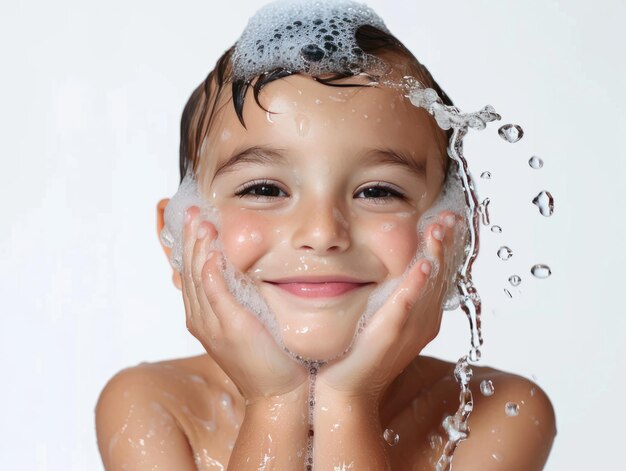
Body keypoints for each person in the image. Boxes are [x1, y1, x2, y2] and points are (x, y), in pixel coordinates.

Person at [95, 2, 556, 469]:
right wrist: (275, 402)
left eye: (377, 191)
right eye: (264, 188)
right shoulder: (153, 407)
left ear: (456, 238)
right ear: (175, 237)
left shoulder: (497, 413)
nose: (322, 233)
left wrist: (349, 401)